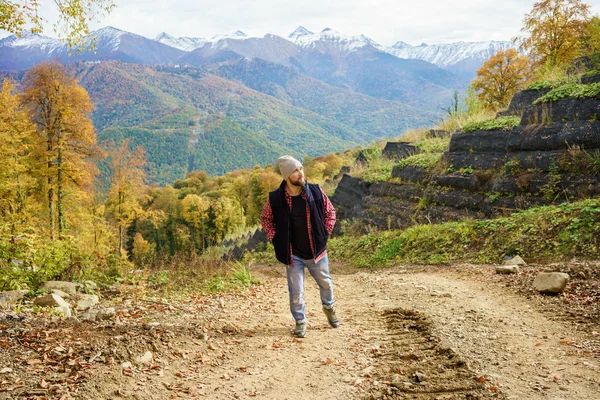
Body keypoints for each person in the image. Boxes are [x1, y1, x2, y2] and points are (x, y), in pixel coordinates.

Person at [260, 155, 339, 338]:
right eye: (295, 171)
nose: (300, 173)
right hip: (292, 253)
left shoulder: (316, 191)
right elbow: (266, 219)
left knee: (326, 283)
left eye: (301, 169)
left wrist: (323, 233)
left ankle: (329, 307)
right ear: (287, 176)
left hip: (316, 252)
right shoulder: (276, 198)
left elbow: (330, 212)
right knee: (296, 290)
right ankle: (300, 321)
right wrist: (275, 238)